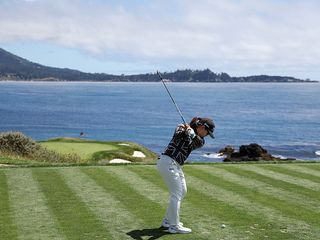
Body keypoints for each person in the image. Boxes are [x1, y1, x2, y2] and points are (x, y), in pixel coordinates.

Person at [157, 117, 215, 234]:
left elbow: (192, 144)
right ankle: (174, 226)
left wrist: (192, 134)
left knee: (182, 191)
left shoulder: (201, 141)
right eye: (207, 132)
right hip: (167, 161)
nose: (207, 135)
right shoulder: (181, 127)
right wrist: (187, 130)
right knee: (176, 194)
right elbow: (178, 135)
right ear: (202, 127)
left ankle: (168, 221)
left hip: (176, 165)